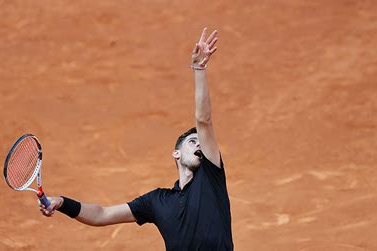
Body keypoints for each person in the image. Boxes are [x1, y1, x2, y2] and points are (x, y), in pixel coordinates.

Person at [39, 28, 234, 251]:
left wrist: (199, 69)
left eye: (200, 141)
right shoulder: (157, 201)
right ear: (176, 153)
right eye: (192, 141)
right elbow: (101, 215)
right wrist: (62, 202)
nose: (199, 144)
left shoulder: (211, 177)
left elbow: (204, 120)